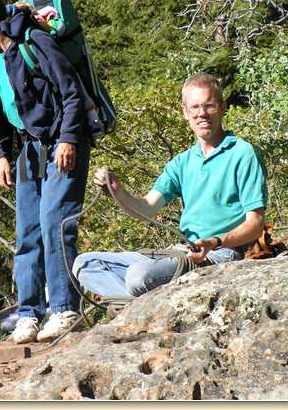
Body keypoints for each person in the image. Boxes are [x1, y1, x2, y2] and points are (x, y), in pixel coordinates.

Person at [0, 0, 91, 343]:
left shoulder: (35, 40)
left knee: (54, 222)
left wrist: (68, 139)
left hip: (63, 142)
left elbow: (72, 93)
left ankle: (65, 309)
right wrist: (2, 154)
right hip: (29, 150)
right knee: (27, 232)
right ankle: (29, 313)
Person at [72, 73, 268, 298]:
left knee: (138, 276)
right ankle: (135, 301)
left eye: (209, 106)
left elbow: (255, 224)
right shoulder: (182, 162)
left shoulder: (242, 153)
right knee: (86, 263)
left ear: (223, 108)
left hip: (220, 254)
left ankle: (130, 299)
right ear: (185, 112)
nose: (201, 114)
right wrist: (118, 192)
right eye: (194, 107)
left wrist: (215, 242)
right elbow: (147, 208)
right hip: (181, 251)